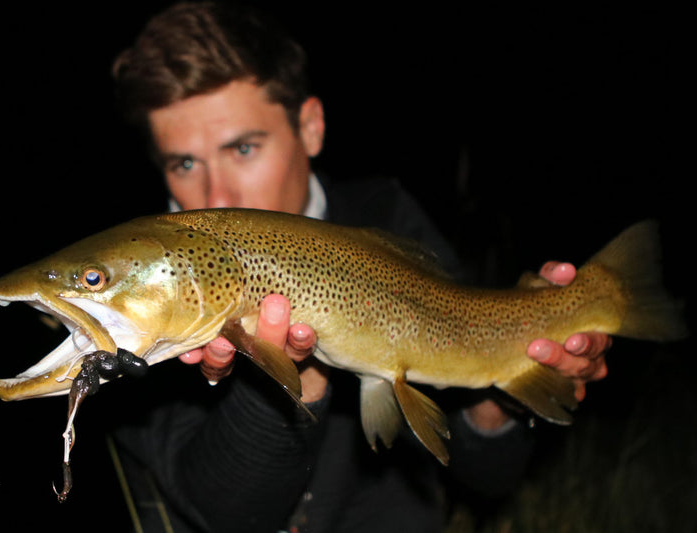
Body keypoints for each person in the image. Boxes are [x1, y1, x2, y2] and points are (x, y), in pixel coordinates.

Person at [108, 3, 611, 532]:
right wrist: (288, 382)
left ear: (310, 127)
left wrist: (509, 392)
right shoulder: (141, 302)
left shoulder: (386, 218)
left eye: (244, 148)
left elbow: (486, 475)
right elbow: (225, 514)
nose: (216, 194)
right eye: (184, 164)